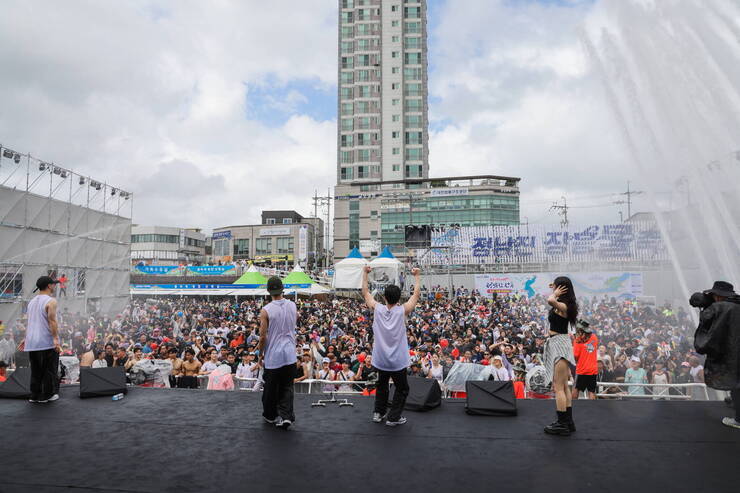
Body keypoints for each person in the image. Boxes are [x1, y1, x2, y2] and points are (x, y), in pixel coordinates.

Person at [362, 265, 421, 427]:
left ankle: (378, 413)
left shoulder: (378, 309)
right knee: (402, 389)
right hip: (397, 361)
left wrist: (365, 274)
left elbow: (366, 293)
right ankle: (393, 417)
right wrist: (417, 276)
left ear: (384, 298)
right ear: (398, 298)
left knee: (381, 386)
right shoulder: (402, 311)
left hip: (380, 360)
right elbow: (416, 295)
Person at [693, 281, 740, 429]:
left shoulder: (719, 307)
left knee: (736, 382)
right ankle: (735, 402)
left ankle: (738, 419)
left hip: (732, 353)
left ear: (718, 296)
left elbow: (707, 323)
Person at [258, 276, 298, 430]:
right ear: (282, 289)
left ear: (269, 291)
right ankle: (287, 416)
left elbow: (262, 336)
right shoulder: (293, 305)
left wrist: (260, 355)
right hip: (290, 353)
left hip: (273, 354)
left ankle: (270, 415)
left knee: (270, 387)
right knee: (287, 386)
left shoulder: (266, 310)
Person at [542, 276, 578, 436]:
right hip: (559, 343)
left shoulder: (564, 305)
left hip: (560, 345)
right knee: (563, 386)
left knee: (559, 387)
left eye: (557, 287)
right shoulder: (566, 304)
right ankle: (568, 421)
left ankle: (562, 423)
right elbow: (552, 297)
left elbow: (550, 300)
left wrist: (554, 293)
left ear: (561, 290)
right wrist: (555, 288)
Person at [21, 276, 61, 403]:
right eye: (53, 284)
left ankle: (34, 395)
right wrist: (55, 339)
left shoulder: (31, 302)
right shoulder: (51, 301)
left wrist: (26, 338)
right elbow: (52, 321)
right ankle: (46, 395)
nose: (55, 286)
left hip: (33, 342)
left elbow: (30, 322)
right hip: (46, 341)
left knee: (36, 369)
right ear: (49, 286)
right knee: (49, 369)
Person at [572, 320, 598, 400]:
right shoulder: (594, 337)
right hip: (593, 369)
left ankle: (573, 407)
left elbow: (575, 355)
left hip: (582, 369)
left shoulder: (577, 340)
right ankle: (592, 409)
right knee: (591, 391)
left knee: (576, 389)